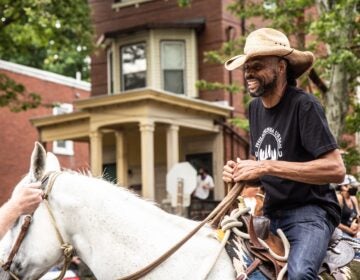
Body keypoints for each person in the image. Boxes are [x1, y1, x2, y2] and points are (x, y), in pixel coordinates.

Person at [223, 28, 345, 279]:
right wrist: (242, 172)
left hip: (310, 212)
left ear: (281, 67)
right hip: (268, 213)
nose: (248, 73)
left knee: (300, 274)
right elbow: (263, 165)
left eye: (256, 66)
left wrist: (266, 166)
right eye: (246, 67)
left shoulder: (305, 105)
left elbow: (336, 169)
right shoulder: (254, 108)